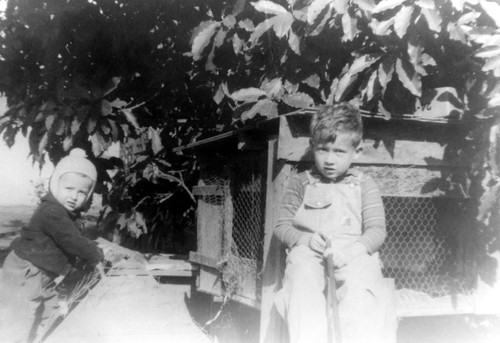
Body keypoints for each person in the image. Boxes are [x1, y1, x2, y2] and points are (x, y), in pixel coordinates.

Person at [274, 103, 391, 343]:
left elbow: (377, 231)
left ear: (356, 152)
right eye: (322, 150)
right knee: (302, 279)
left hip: (352, 252)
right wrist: (305, 239)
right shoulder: (300, 183)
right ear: (312, 147)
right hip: (310, 252)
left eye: (338, 152)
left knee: (361, 290)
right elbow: (282, 226)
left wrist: (352, 252)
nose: (329, 160)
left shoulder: (364, 185)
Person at [0, 148, 104, 343]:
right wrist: (94, 254)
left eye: (82, 192)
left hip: (43, 272)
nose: (74, 196)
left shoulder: (64, 213)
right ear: (56, 185)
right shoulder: (52, 212)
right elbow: (71, 240)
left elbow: (70, 239)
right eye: (69, 189)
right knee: (18, 318)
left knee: (51, 312)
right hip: (25, 272)